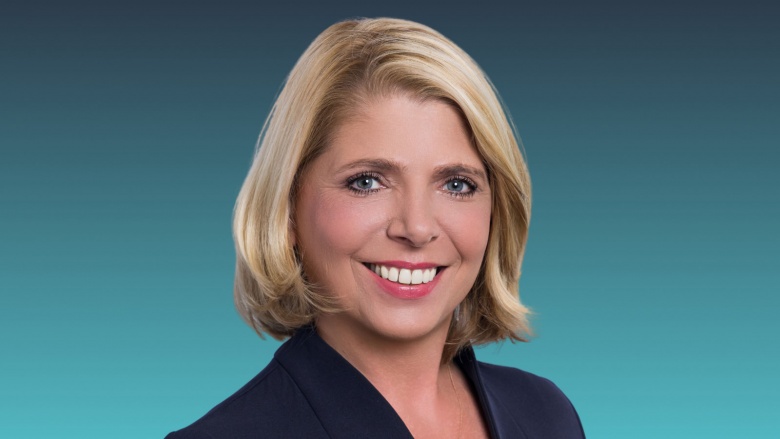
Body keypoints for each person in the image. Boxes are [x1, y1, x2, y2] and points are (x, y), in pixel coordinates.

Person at [167, 17, 585, 439]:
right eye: (367, 182)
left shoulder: (545, 414)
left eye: (457, 185)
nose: (417, 228)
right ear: (288, 209)